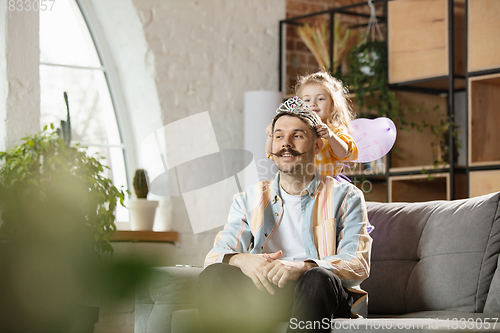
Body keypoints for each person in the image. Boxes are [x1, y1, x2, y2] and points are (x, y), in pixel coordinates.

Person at [199, 98, 372, 333]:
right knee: (214, 275)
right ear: (271, 146)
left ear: (318, 145)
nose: (286, 144)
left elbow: (357, 263)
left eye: (297, 136)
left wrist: (302, 267)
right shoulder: (249, 198)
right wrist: (243, 259)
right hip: (268, 292)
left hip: (321, 293)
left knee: (317, 278)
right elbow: (216, 254)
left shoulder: (347, 196)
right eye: (279, 136)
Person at [266, 72, 358, 180]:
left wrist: (330, 136)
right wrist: (273, 134)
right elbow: (271, 153)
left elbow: (344, 154)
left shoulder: (335, 130)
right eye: (307, 100)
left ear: (333, 105)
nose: (313, 104)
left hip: (326, 184)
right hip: (299, 183)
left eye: (320, 99)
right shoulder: (297, 131)